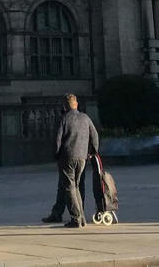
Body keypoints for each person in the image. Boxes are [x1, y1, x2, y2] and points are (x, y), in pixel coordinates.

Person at [44, 93, 99, 229]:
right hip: (82, 157)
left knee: (69, 187)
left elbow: (57, 140)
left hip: (67, 157)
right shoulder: (85, 118)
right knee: (77, 187)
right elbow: (95, 135)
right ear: (77, 104)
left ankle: (75, 219)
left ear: (64, 106)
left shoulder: (64, 119)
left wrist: (56, 155)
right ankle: (81, 218)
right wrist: (92, 152)